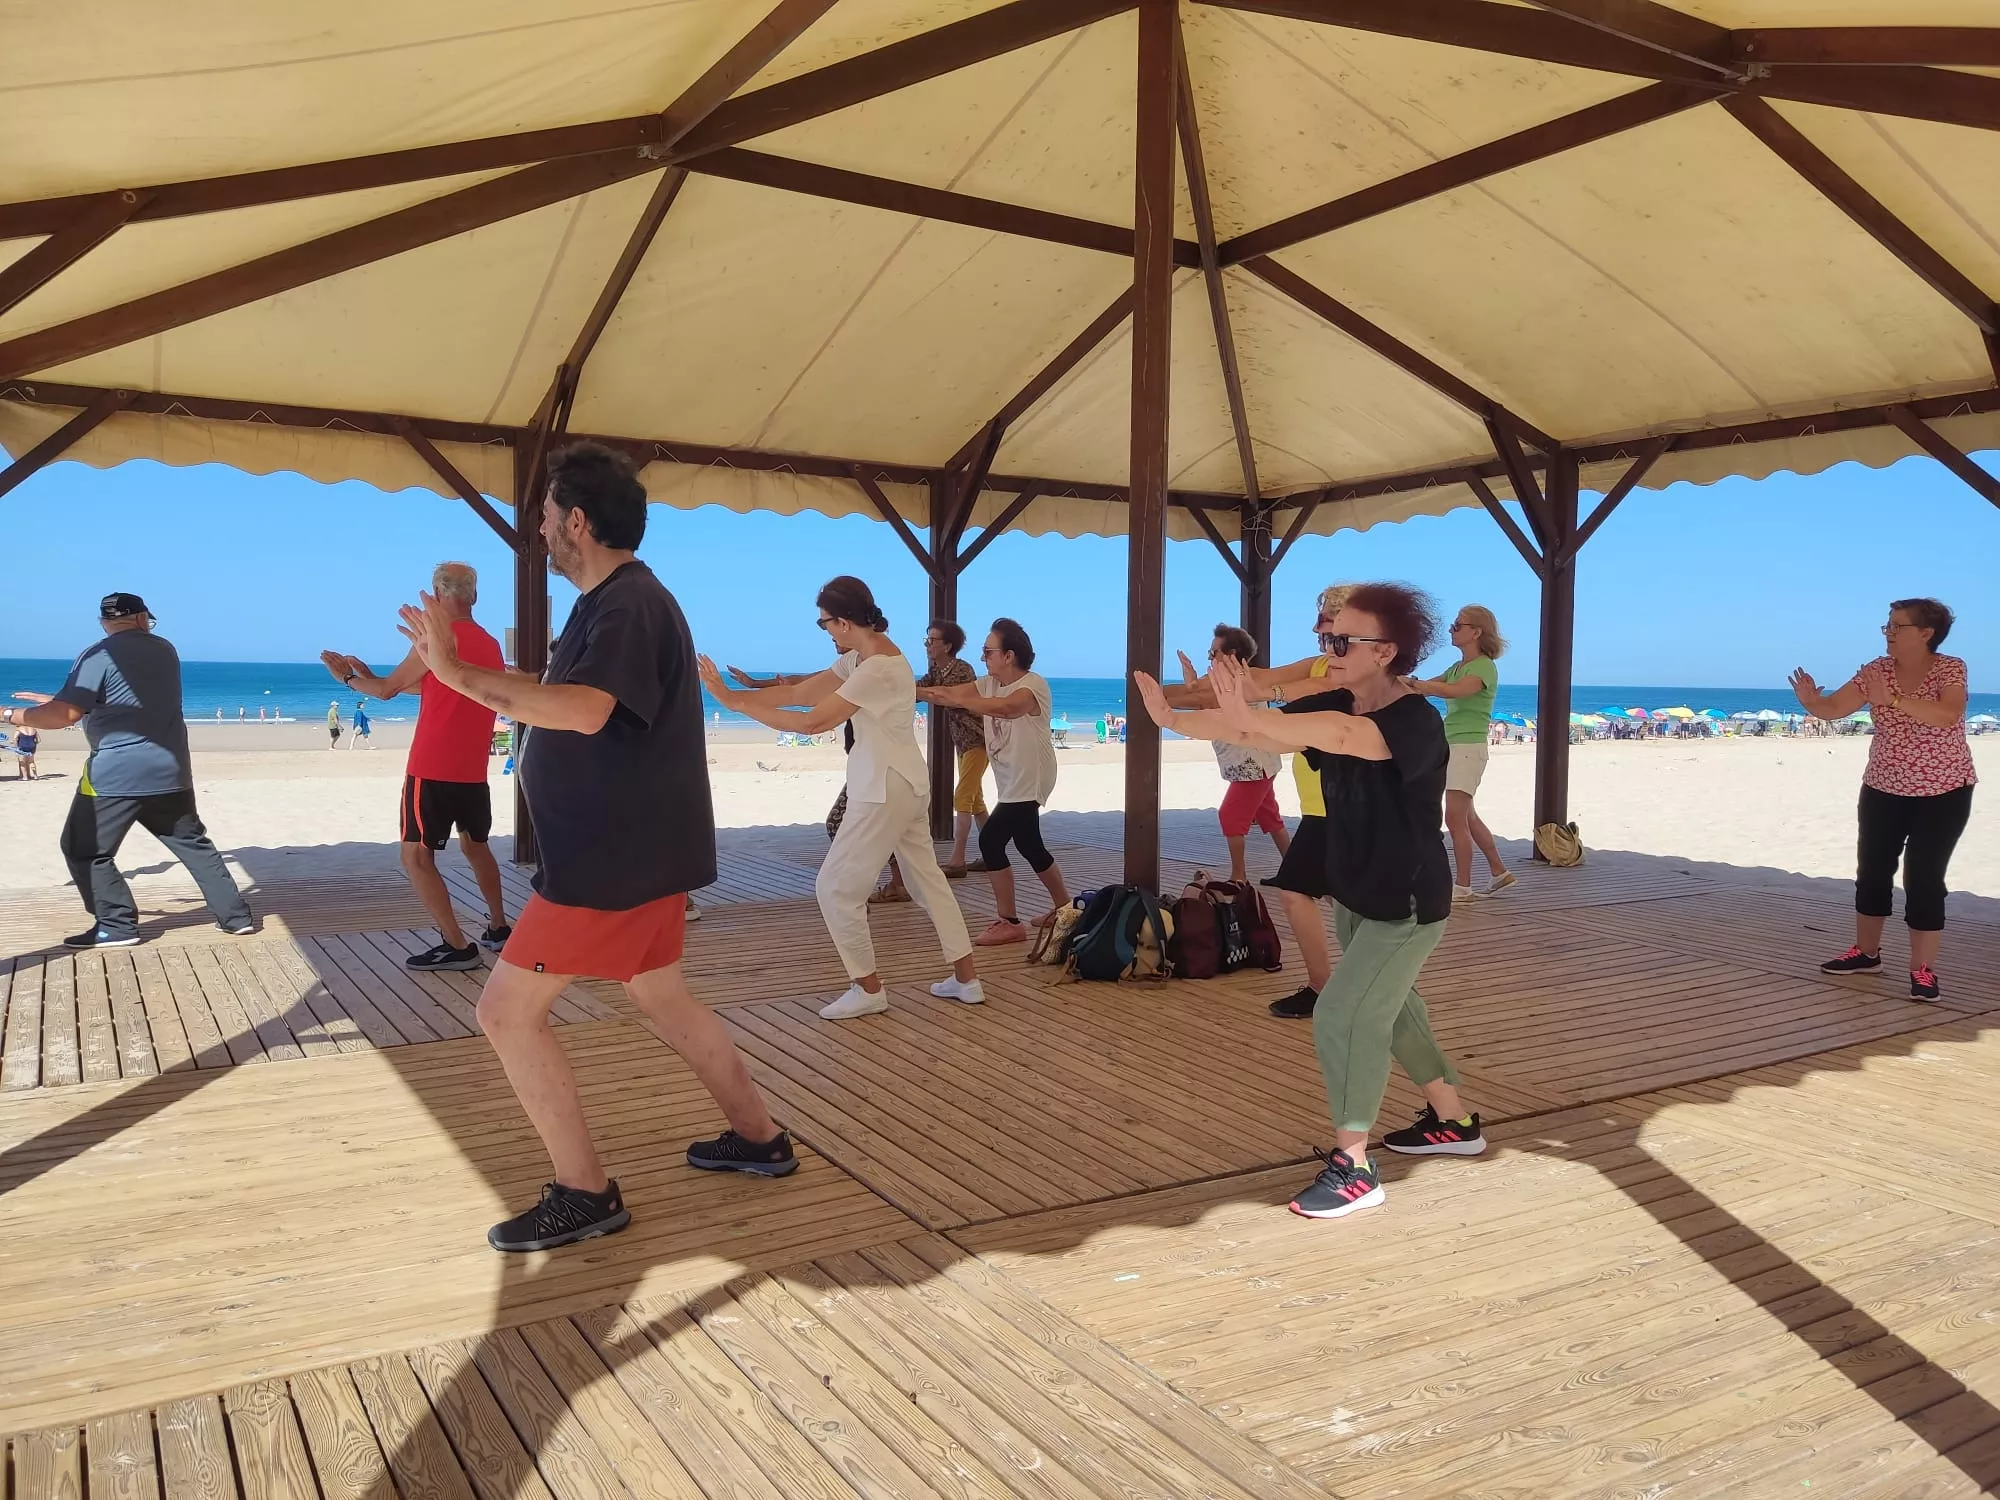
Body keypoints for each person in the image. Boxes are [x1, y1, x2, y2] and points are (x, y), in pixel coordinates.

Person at [398, 441, 791, 1252]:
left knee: (505, 1012)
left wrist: (455, 673)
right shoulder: (609, 603)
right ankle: (760, 1139)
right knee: (662, 995)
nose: (540, 530)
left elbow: (583, 710)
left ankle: (585, 1191)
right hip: (637, 854)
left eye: (546, 516)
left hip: (608, 863)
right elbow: (559, 698)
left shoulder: (628, 605)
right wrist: (459, 670)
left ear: (576, 520)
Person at [1136, 583, 1482, 1220]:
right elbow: (1273, 731)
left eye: (1342, 641)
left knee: (1343, 1014)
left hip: (1405, 902)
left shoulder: (1412, 720)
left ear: (1386, 651)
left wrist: (1248, 713)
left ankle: (1355, 1169)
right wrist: (1173, 719)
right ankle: (1453, 1122)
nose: (1328, 649)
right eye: (1326, 638)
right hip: (1358, 891)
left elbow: (1328, 733)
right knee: (1395, 1009)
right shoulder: (1339, 696)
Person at [700, 577, 983, 1020]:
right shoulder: (863, 659)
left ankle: (868, 988)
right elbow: (799, 694)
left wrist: (732, 703)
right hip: (907, 783)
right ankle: (966, 979)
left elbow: (812, 723)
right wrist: (736, 694)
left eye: (825, 623)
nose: (826, 631)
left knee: (833, 888)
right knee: (927, 881)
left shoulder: (877, 669)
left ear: (845, 622)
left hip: (881, 789)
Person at [2, 593, 254, 948]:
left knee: (84, 849)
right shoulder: (165, 650)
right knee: (194, 844)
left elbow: (64, 716)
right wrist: (61, 703)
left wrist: (8, 714)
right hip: (171, 770)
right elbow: (128, 702)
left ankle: (117, 926)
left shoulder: (97, 654)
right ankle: (236, 918)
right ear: (141, 618)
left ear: (104, 622)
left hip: (116, 776)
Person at [1169, 585, 1352, 1017]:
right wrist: (1172, 694)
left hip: (1345, 803)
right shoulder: (1317, 662)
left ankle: (1333, 986)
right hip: (1318, 801)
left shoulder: (1346, 674)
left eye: (1326, 621)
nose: (1317, 629)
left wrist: (1254, 693)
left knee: (1309, 892)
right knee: (1320, 892)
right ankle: (1339, 983)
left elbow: (1299, 688)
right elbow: (1261, 681)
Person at [322, 562, 511, 972]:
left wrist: (348, 679)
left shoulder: (436, 637)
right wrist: (374, 677)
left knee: (416, 857)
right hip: (472, 771)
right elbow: (441, 685)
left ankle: (456, 945)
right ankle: (498, 927)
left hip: (433, 768)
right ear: (474, 596)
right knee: (476, 846)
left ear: (437, 595)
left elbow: (387, 692)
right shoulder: (490, 644)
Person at [1791, 597, 1976, 1002]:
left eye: (1898, 626)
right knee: (1873, 872)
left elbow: (1947, 714)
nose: (1889, 632)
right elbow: (1834, 707)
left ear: (1925, 633)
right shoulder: (1877, 670)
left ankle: (1922, 970)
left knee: (1923, 878)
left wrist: (1892, 700)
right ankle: (1866, 953)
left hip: (1943, 790)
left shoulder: (1950, 668)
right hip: (1882, 786)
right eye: (1887, 625)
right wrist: (1812, 703)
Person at [919, 617, 1070, 945]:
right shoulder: (988, 684)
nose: (982, 657)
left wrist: (960, 699)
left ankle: (1009, 922)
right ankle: (1067, 911)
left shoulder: (1032, 685)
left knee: (990, 841)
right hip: (1012, 779)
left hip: (1030, 777)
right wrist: (904, 691)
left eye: (988, 652)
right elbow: (944, 694)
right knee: (1029, 845)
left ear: (1009, 655)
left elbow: (1007, 708)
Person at [1405, 604, 1514, 902]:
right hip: (1454, 746)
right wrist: (1402, 682)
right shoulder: (1457, 667)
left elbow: (1456, 691)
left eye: (1457, 625)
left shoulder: (1483, 667)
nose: (1451, 629)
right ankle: (1499, 872)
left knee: (1455, 820)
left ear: (1476, 632)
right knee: (1468, 817)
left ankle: (1463, 886)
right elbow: (1430, 685)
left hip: (1467, 748)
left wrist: (1419, 685)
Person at [1204, 625, 1292, 884]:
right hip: (1259, 763)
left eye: (1213, 652)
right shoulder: (1236, 679)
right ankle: (1294, 871)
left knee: (1229, 815)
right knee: (1270, 816)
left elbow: (1203, 703)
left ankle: (1238, 876)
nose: (1210, 657)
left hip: (1252, 766)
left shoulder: (1241, 682)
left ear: (1231, 654)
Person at [921, 620, 989, 878]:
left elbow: (942, 696)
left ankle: (958, 860)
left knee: (962, 798)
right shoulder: (937, 670)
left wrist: (913, 691)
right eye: (927, 639)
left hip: (978, 740)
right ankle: (993, 853)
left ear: (947, 646)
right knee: (976, 801)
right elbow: (921, 689)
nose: (927, 645)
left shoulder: (961, 670)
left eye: (932, 640)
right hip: (963, 742)